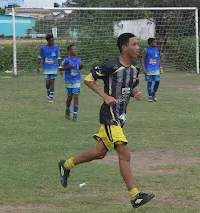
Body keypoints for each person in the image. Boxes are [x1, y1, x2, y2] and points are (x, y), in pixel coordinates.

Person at [58, 33, 155, 208]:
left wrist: (135, 93)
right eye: (134, 44)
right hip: (109, 115)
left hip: (121, 117)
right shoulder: (111, 66)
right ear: (124, 48)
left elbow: (129, 87)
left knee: (99, 153)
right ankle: (135, 196)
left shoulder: (134, 70)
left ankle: (66, 165)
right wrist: (104, 95)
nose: (137, 47)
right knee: (124, 154)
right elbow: (88, 79)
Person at [59, 44, 84, 121]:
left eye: (76, 49)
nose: (75, 51)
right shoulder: (66, 60)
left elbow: (80, 67)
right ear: (69, 51)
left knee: (76, 97)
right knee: (70, 97)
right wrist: (67, 67)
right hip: (68, 81)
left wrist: (81, 66)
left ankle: (75, 115)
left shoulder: (79, 60)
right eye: (73, 49)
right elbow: (60, 68)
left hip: (76, 81)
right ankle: (67, 109)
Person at [37, 34, 61, 102]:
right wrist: (38, 67)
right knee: (47, 83)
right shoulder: (43, 48)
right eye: (51, 41)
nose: (53, 42)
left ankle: (51, 97)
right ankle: (48, 90)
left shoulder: (56, 48)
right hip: (46, 68)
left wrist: (60, 67)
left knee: (52, 82)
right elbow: (39, 57)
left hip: (53, 68)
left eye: (53, 41)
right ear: (47, 41)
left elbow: (58, 58)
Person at [142, 38, 162, 102]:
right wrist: (144, 68)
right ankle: (150, 96)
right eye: (155, 42)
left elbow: (158, 59)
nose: (156, 43)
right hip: (149, 69)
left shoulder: (157, 50)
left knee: (157, 81)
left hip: (156, 69)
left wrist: (160, 66)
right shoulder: (146, 50)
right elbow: (143, 59)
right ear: (150, 43)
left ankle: (153, 92)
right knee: (149, 83)